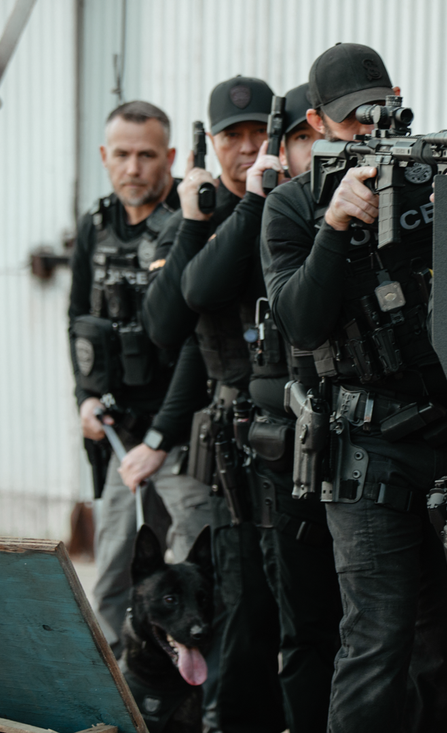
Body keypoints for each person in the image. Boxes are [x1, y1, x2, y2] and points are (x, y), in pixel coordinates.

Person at [260, 43, 447, 733]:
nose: (367, 131)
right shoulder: (294, 207)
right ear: (319, 123)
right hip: (365, 446)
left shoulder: (435, 176)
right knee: (376, 639)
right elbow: (299, 318)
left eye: (378, 113)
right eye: (351, 121)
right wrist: (336, 222)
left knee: (441, 647)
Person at [143, 75, 287, 733]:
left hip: (299, 432)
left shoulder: (293, 210)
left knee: (307, 612)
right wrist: (196, 223)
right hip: (234, 452)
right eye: (234, 136)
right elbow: (170, 330)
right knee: (244, 612)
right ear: (210, 141)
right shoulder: (193, 219)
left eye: (262, 133)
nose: (248, 148)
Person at [68, 100, 212, 658]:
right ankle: (115, 687)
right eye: (122, 155)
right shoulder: (95, 226)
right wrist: (83, 398)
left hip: (181, 431)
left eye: (147, 155)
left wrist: (163, 438)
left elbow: (202, 341)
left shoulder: (191, 222)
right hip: (121, 434)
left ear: (170, 157)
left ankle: (197, 692)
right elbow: (77, 318)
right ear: (105, 157)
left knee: (192, 572)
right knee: (111, 572)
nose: (134, 167)